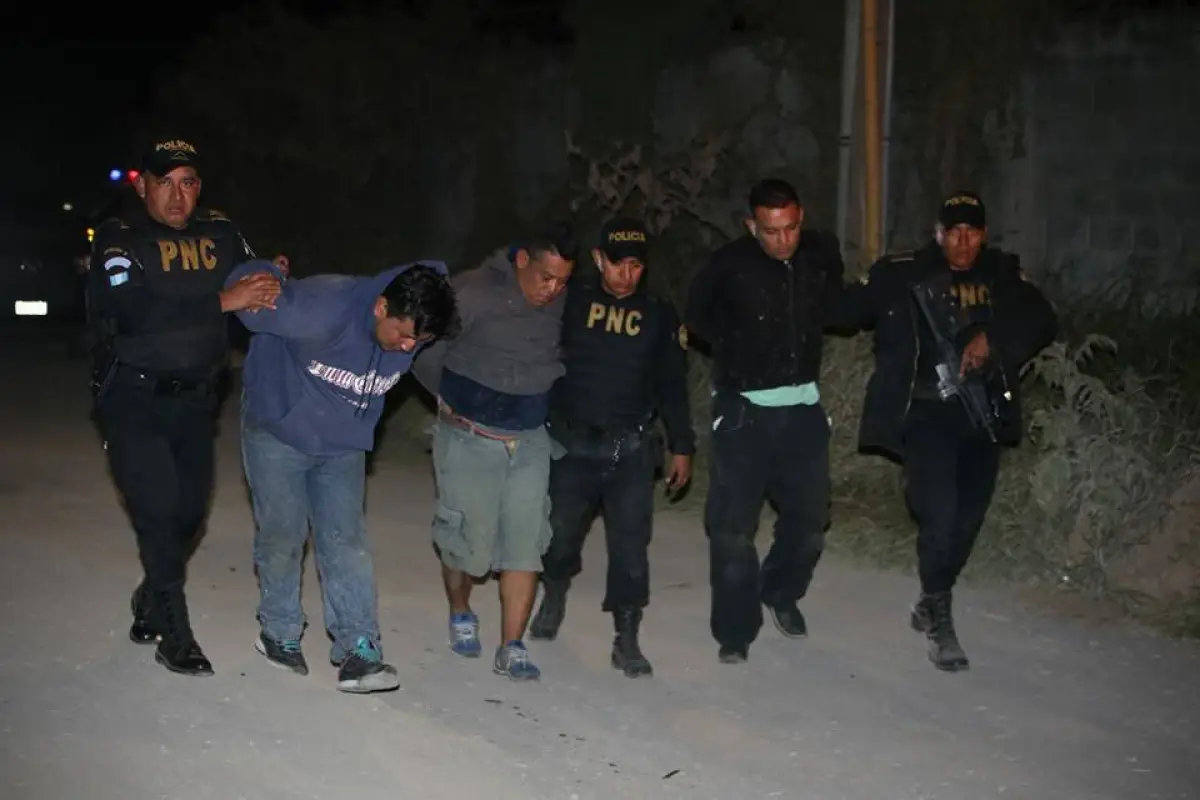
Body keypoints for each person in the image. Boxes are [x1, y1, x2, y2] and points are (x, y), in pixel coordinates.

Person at [830, 191, 1057, 672]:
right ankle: (941, 616)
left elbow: (1043, 319)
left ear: (985, 234)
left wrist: (993, 340)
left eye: (971, 231)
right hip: (926, 414)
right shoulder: (904, 271)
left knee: (967, 521)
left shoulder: (1000, 275)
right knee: (939, 512)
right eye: (953, 231)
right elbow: (847, 309)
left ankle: (931, 594)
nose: (962, 241)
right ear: (938, 233)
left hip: (980, 415)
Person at [87, 138, 286, 676]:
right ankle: (176, 634)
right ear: (142, 185)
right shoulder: (119, 238)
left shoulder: (219, 233)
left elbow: (255, 275)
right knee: (156, 512)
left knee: (189, 515)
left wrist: (273, 277)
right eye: (166, 183)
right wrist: (224, 301)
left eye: (189, 183)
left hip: (197, 402)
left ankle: (151, 594)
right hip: (133, 397)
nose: (178, 197)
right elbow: (132, 307)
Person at [227, 258, 458, 694]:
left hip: (343, 441)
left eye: (419, 340)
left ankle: (358, 648)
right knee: (283, 533)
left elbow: (426, 360)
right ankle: (278, 630)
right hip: (279, 429)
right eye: (404, 334)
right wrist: (265, 272)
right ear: (379, 307)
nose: (409, 346)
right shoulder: (320, 308)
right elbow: (245, 297)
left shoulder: (412, 332)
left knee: (345, 539)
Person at [684, 178, 845, 664]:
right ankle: (735, 631)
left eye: (792, 228)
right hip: (743, 409)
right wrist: (737, 351)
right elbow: (697, 317)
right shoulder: (727, 265)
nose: (783, 240)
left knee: (811, 522)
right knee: (732, 528)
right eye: (772, 231)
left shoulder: (820, 253)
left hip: (802, 409)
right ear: (752, 224)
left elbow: (835, 303)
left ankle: (778, 590)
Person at [528, 218, 695, 678]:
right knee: (558, 536)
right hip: (572, 444)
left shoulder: (659, 315)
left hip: (631, 450)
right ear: (599, 259)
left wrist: (683, 443)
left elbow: (672, 385)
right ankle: (554, 593)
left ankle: (627, 636)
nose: (627, 274)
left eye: (637, 265)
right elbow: (537, 357)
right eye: (618, 264)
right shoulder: (570, 302)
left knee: (630, 548)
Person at [412, 222, 576, 682]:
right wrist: (443, 397)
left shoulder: (562, 301)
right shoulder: (471, 293)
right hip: (468, 435)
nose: (553, 289)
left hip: (529, 440)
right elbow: (425, 349)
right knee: (466, 545)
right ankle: (461, 609)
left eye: (562, 280)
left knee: (527, 542)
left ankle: (512, 646)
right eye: (546, 277)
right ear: (523, 259)